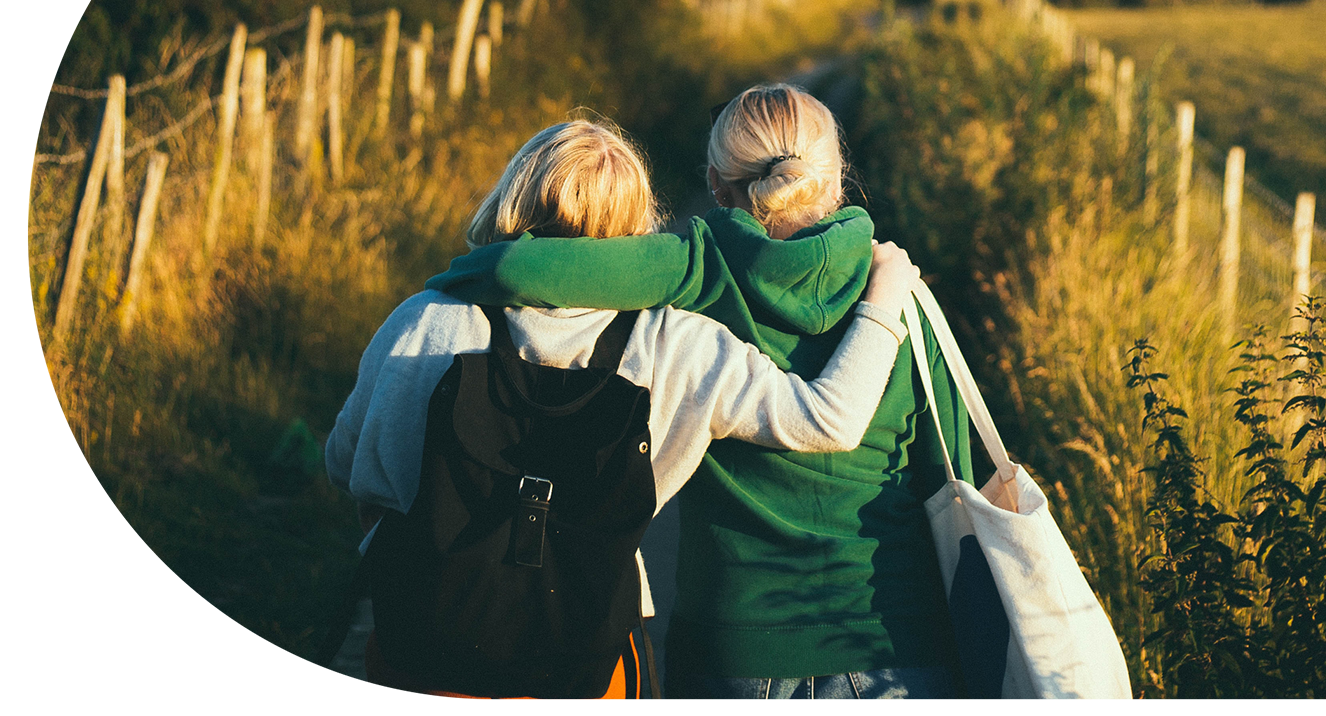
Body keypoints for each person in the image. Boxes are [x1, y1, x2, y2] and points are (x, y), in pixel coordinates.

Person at [325, 118, 922, 700]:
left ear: (511, 197)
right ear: (640, 224)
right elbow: (828, 418)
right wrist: (886, 297)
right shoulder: (678, 343)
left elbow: (349, 460)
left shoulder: (428, 318)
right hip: (592, 650)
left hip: (430, 644)